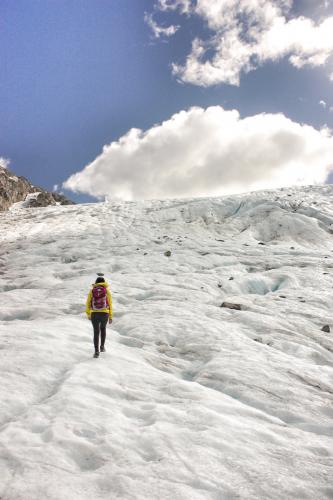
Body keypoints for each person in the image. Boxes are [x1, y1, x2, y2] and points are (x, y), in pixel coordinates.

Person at [86, 276, 112, 358]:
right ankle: (102, 347)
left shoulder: (92, 291)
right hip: (104, 313)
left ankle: (96, 352)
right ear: (104, 282)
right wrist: (110, 316)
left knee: (96, 332)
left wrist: (88, 313)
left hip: (94, 313)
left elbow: (88, 303)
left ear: (96, 282)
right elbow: (110, 303)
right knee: (103, 329)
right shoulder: (106, 291)